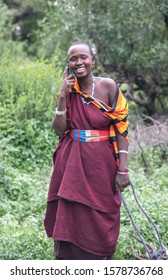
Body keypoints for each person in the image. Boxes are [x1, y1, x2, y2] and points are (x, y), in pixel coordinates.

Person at [44, 42, 130, 260]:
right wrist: (62, 95)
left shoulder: (108, 86)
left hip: (102, 162)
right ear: (69, 63)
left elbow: (122, 127)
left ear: (93, 60)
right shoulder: (68, 90)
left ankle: (101, 259)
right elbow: (59, 130)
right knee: (71, 209)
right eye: (73, 59)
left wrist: (123, 169)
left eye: (83, 57)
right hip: (71, 161)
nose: (79, 62)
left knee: (102, 209)